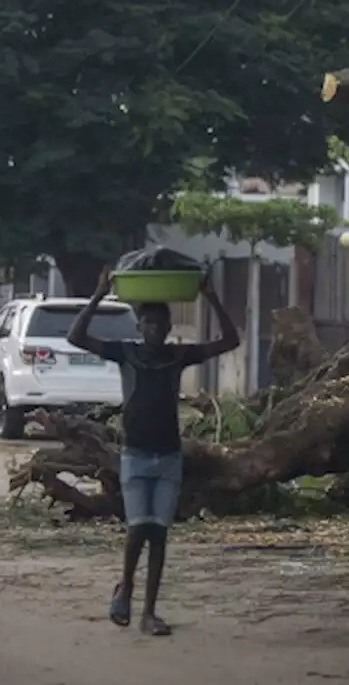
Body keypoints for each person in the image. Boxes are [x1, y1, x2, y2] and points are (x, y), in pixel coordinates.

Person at [67, 267, 240, 636]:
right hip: (135, 455)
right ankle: (126, 587)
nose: (154, 330)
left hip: (168, 457)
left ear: (168, 329)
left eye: (160, 324)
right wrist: (99, 293)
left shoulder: (177, 357)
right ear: (139, 327)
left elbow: (230, 340)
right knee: (137, 530)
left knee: (158, 534)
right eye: (147, 323)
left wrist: (209, 295)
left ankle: (149, 612)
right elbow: (76, 335)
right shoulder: (125, 354)